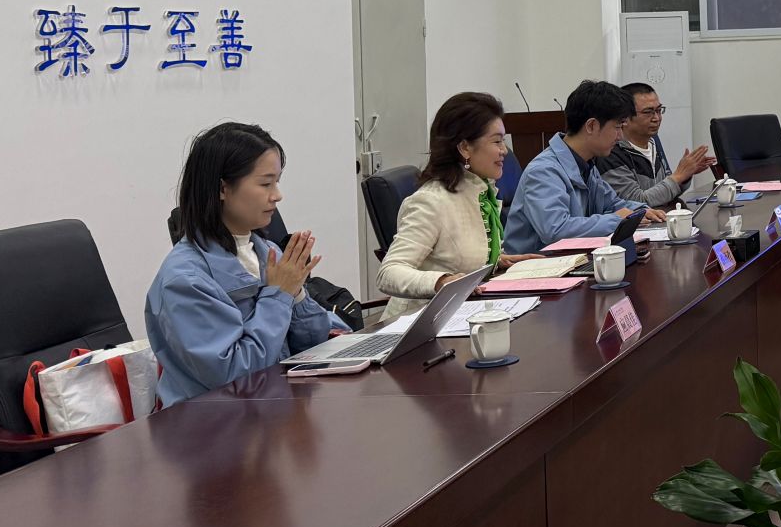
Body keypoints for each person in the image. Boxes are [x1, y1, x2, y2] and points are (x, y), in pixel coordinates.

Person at [145, 123, 346, 407]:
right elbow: (236, 377)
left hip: (274, 406)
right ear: (223, 189)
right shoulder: (185, 280)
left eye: (277, 182)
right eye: (265, 184)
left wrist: (298, 293)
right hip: (215, 422)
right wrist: (279, 295)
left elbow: (315, 343)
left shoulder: (267, 251)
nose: (277, 195)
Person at [376, 92, 543, 323]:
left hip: (461, 316)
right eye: (496, 141)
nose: (504, 150)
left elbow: (458, 254)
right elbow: (389, 272)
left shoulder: (480, 191)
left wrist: (496, 260)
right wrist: (441, 281)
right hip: (418, 326)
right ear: (465, 147)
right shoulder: (431, 202)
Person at [504, 79, 648, 253]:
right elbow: (556, 230)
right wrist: (617, 219)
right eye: (617, 127)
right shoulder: (543, 171)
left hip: (572, 259)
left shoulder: (586, 164)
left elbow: (613, 204)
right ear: (591, 126)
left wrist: (640, 211)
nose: (620, 136)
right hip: (539, 265)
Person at [598, 82, 715, 211]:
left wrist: (685, 175)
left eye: (659, 110)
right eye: (648, 112)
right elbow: (636, 203)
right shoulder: (610, 152)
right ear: (624, 118)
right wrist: (678, 176)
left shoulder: (653, 142)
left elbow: (664, 193)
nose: (657, 118)